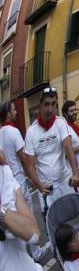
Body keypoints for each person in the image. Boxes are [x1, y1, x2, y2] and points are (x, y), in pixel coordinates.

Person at [0, 101, 46, 261]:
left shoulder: (0, 132)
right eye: (14, 110)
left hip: (4, 184)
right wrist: (34, 179)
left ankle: (23, 255)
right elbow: (24, 158)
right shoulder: (13, 131)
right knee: (27, 215)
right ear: (8, 113)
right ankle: (37, 252)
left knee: (12, 219)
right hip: (17, 181)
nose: (16, 112)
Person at [24, 87, 79, 207]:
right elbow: (30, 165)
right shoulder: (31, 131)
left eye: (53, 104)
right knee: (52, 223)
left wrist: (76, 174)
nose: (50, 109)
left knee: (71, 216)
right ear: (39, 105)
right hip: (46, 187)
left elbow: (68, 148)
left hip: (64, 181)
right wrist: (38, 184)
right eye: (46, 104)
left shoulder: (60, 122)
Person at [62, 101, 79, 199]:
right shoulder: (66, 130)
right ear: (65, 114)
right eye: (71, 111)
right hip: (73, 173)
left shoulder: (74, 127)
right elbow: (64, 154)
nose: (74, 112)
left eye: (75, 110)